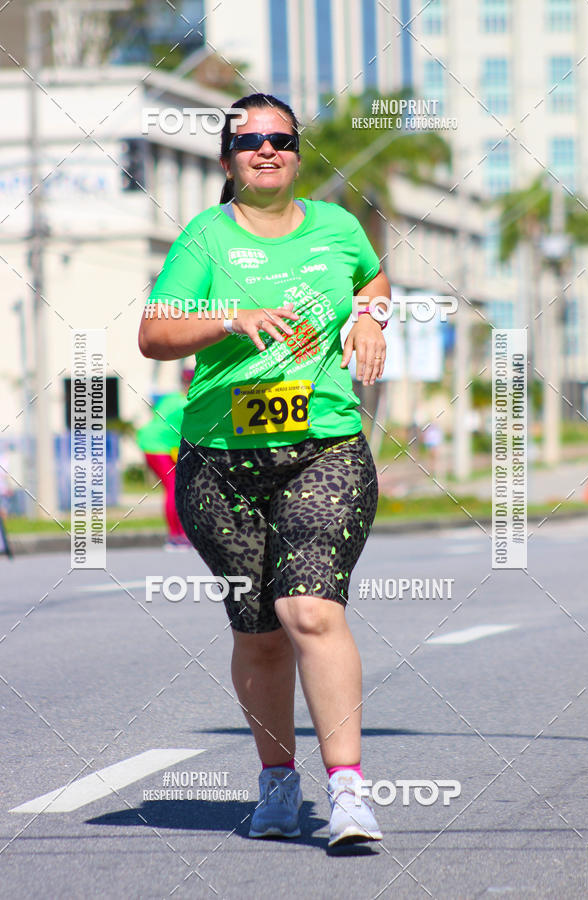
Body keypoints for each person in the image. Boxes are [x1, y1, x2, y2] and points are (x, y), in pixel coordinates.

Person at [138, 93, 391, 847]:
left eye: (279, 137)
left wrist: (372, 318)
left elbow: (371, 281)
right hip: (221, 463)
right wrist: (229, 320)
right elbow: (155, 333)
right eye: (249, 140)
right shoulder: (205, 238)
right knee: (260, 633)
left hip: (326, 448)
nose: (266, 148)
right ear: (228, 161)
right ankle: (278, 784)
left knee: (309, 609)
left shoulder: (339, 228)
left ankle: (348, 794)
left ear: (296, 153)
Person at [136, 370, 193, 550]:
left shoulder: (171, 398)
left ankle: (178, 535)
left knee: (174, 487)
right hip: (156, 445)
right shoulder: (185, 403)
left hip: (152, 443)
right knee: (173, 487)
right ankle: (177, 536)